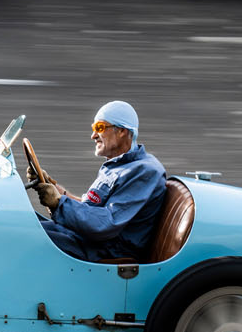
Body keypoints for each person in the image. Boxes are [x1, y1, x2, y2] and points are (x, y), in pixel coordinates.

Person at [34, 101, 167, 262]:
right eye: (93, 129)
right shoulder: (119, 165)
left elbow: (105, 224)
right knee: (22, 223)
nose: (93, 136)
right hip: (88, 240)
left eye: (100, 128)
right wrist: (56, 190)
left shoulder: (144, 172)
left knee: (26, 236)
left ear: (122, 131)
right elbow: (90, 207)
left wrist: (58, 203)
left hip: (105, 251)